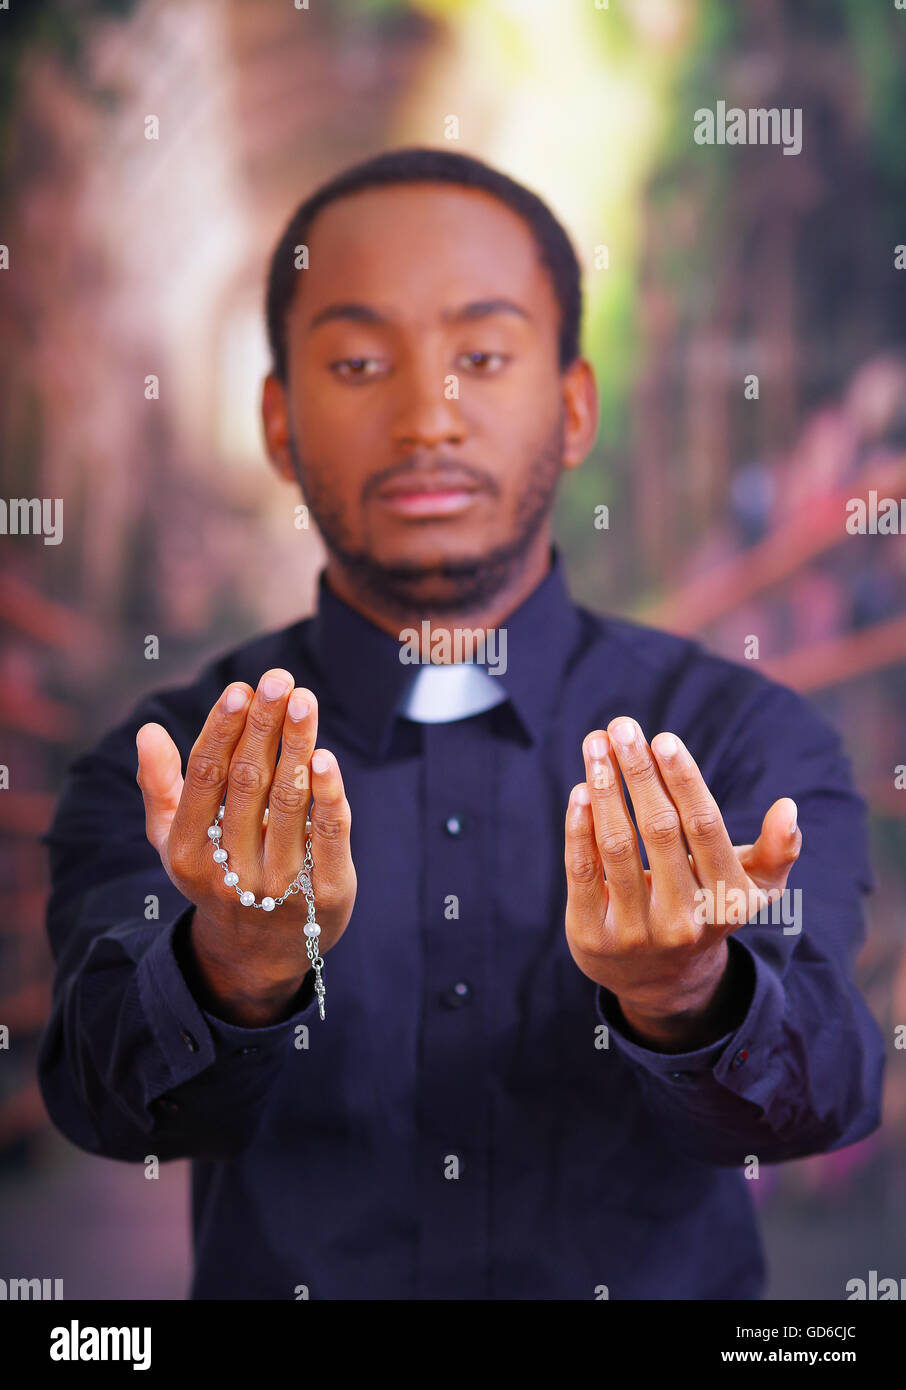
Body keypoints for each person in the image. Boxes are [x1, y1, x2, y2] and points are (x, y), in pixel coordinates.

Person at [38, 147, 884, 1300]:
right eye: (358, 360)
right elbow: (101, 1099)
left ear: (574, 406)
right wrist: (231, 965)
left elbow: (829, 1089)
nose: (426, 419)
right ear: (279, 424)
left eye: (481, 355)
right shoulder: (173, 768)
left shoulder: (742, 738)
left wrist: (691, 994)